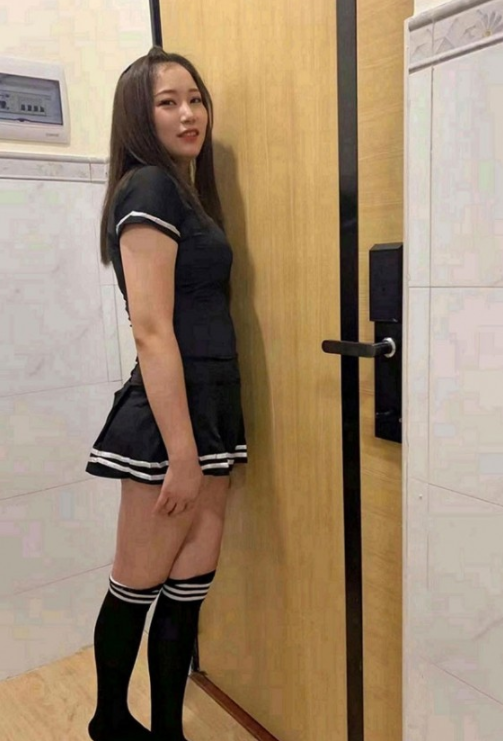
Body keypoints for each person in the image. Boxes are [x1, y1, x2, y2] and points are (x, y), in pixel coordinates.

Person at [84, 46, 247, 741]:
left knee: (187, 589)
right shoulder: (148, 187)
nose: (189, 114)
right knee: (136, 586)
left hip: (209, 410)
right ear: (138, 117)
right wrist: (182, 453)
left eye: (195, 98)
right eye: (168, 102)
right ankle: (109, 721)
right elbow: (151, 331)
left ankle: (167, 732)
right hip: (167, 423)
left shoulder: (185, 194)